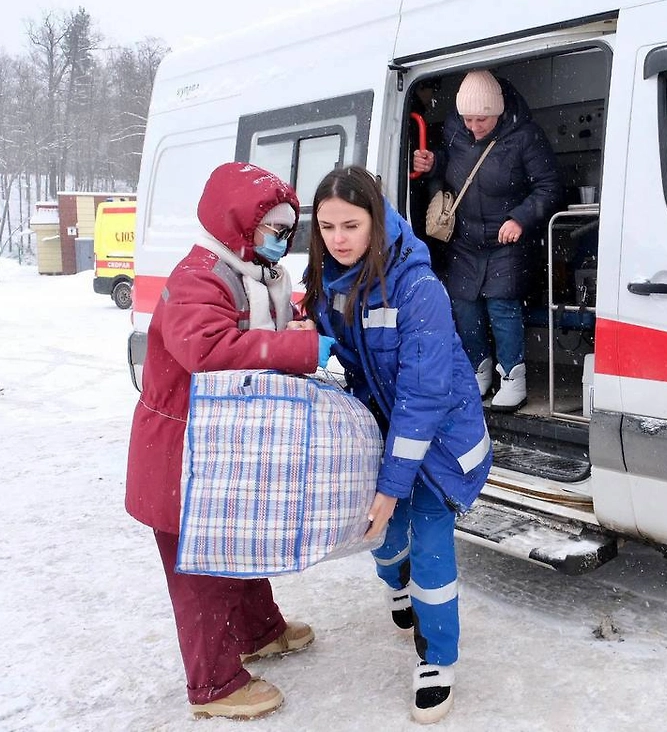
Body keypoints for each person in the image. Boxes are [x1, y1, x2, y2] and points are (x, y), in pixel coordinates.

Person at [125, 162, 334, 720]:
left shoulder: (250, 271)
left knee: (237, 541)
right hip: (177, 457)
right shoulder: (200, 277)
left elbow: (258, 319)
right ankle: (214, 685)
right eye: (273, 229)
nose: (281, 241)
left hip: (216, 449)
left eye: (288, 232)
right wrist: (302, 350)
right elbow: (209, 350)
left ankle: (260, 630)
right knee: (200, 570)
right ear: (239, 224)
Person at [300, 165, 493, 724]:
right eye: (327, 226)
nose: (338, 238)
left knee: (428, 542)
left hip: (435, 439)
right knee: (380, 534)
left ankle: (438, 658)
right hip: (380, 429)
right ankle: (396, 584)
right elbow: (330, 343)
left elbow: (423, 396)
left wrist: (391, 483)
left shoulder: (418, 287)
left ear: (376, 223)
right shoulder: (329, 281)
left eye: (351, 225)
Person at [412, 69, 562, 411]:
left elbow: (549, 186)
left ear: (497, 112)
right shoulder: (454, 130)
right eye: (468, 119)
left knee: (501, 305)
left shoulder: (524, 136)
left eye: (482, 119)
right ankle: (477, 369)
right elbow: (449, 169)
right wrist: (433, 162)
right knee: (464, 306)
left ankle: (512, 376)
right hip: (465, 238)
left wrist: (520, 218)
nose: (474, 127)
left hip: (506, 239)